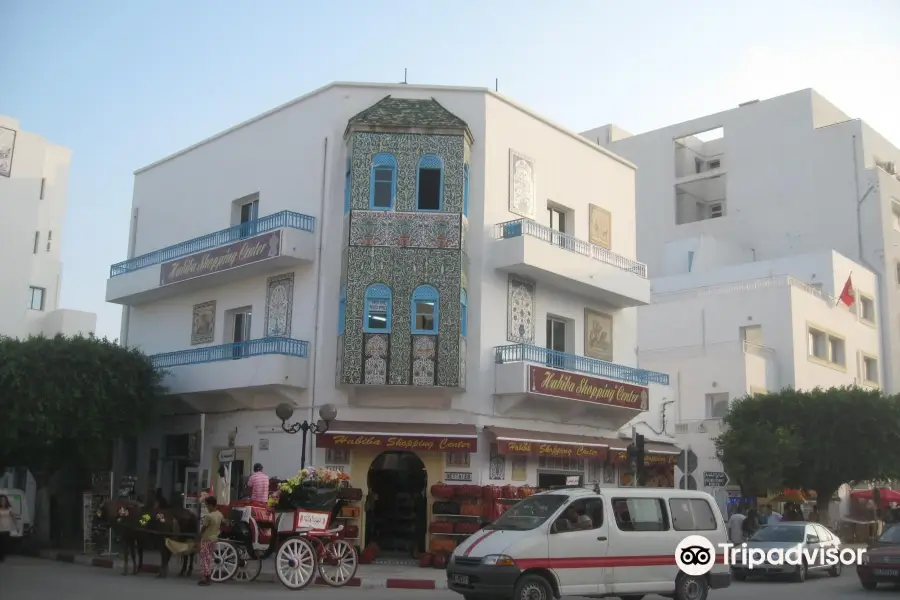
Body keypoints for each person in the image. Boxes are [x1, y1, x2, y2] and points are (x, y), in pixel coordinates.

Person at [196, 496, 223, 586]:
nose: (206, 507)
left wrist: (199, 536)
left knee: (203, 557)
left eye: (207, 505)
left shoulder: (209, 516)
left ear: (211, 505)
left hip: (206, 538)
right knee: (209, 558)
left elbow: (204, 528)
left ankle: (205, 577)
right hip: (214, 538)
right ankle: (208, 576)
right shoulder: (219, 514)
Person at [0, 495, 19, 562]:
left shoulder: (9, 509)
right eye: (1, 500)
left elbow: (14, 518)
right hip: (0, 529)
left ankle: (2, 556)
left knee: (4, 544)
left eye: (4, 500)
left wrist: (17, 526)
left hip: (6, 529)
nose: (2, 501)